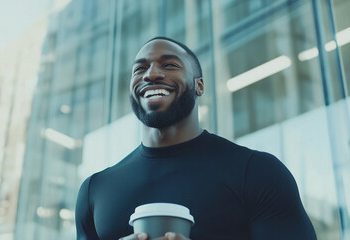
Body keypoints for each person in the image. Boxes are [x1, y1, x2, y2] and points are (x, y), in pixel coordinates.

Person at [75, 36, 317, 240]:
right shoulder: (94, 191)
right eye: (140, 69)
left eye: (169, 65)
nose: (151, 74)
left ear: (199, 86)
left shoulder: (257, 172)